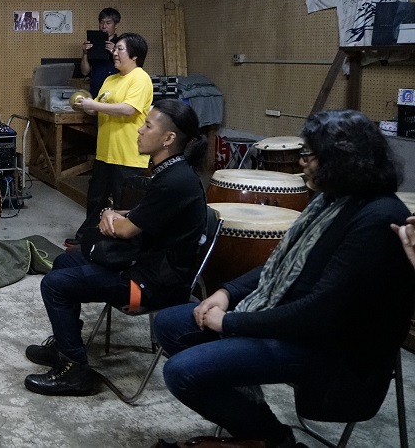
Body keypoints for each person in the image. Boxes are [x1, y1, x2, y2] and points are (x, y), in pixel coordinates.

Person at [152, 110, 414, 448]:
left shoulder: (378, 219)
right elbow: (282, 263)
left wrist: (231, 324)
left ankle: (272, 439)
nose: (302, 162)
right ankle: (261, 431)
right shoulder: (333, 199)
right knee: (171, 324)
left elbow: (320, 312)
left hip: (332, 350)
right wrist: (226, 294)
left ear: (342, 160)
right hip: (298, 324)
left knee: (183, 372)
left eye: (310, 155)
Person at [23, 99, 208, 396]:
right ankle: (64, 346)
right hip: (140, 265)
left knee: (55, 285)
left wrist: (109, 216)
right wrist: (112, 216)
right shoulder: (170, 171)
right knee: (64, 263)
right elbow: (136, 217)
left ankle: (75, 371)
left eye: (147, 125)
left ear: (168, 138)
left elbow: (126, 228)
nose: (140, 130)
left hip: (152, 282)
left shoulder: (176, 181)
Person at [66, 32, 153, 247]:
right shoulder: (110, 79)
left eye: (120, 49)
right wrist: (86, 104)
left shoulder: (140, 78)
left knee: (125, 203)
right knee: (96, 199)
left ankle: (121, 245)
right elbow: (99, 107)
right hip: (106, 152)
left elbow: (128, 109)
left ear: (135, 55)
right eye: (115, 49)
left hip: (128, 155)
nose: (114, 52)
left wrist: (95, 106)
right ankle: (87, 239)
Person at [80, 7, 121, 99]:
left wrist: (115, 51)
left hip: (115, 91)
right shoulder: (93, 43)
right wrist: (85, 53)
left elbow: (129, 67)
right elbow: (85, 72)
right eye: (101, 22)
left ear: (116, 25)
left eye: (108, 23)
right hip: (96, 90)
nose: (104, 26)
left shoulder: (121, 43)